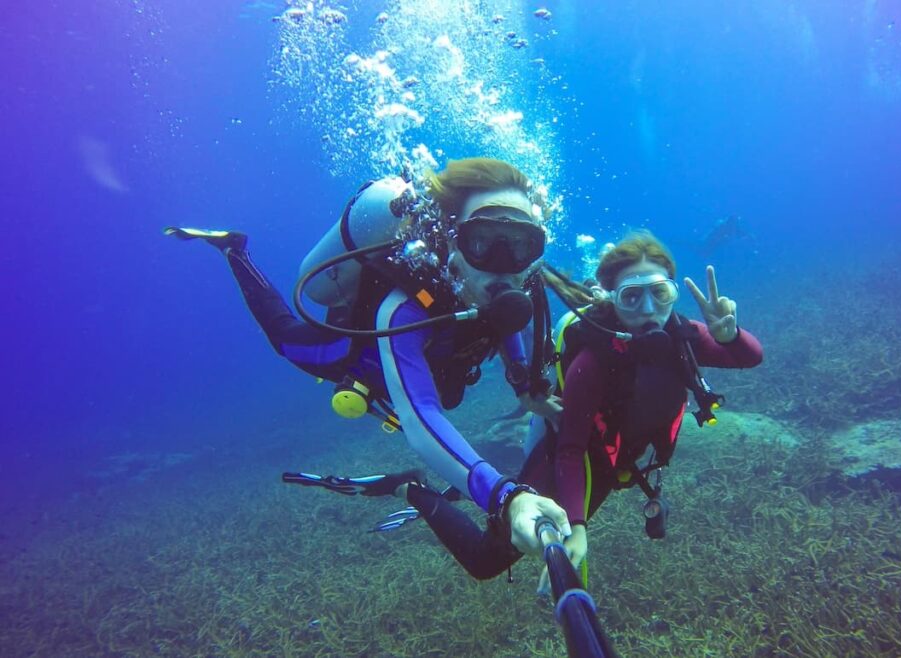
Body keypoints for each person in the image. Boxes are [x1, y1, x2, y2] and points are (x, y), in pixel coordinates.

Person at [294, 231, 763, 584]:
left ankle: (484, 478)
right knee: (485, 562)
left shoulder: (683, 336)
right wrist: (576, 527)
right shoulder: (592, 362)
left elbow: (748, 357)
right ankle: (411, 489)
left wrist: (727, 335)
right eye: (631, 296)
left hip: (616, 462)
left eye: (658, 293)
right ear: (612, 301)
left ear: (672, 294)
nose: (647, 310)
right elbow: (571, 448)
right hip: (575, 465)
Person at [166, 157, 571, 555]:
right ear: (451, 238)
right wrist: (505, 496)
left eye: (521, 245)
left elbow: (505, 327)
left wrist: (525, 388)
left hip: (441, 360)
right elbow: (421, 416)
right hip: (357, 353)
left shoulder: (522, 288)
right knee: (285, 339)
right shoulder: (402, 310)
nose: (503, 266)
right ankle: (236, 252)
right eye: (481, 241)